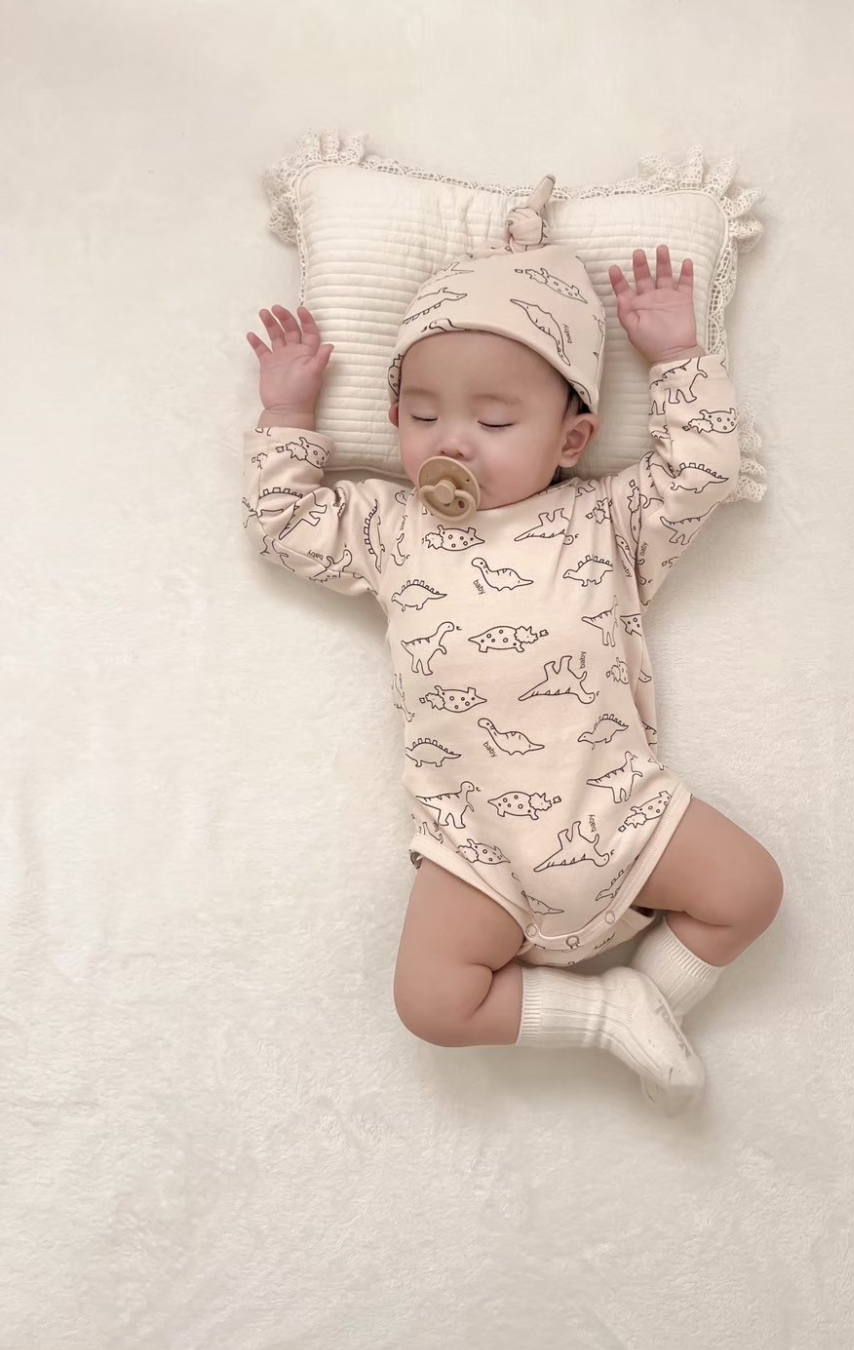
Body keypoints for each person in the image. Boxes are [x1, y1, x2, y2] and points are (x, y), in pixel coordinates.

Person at [243, 178, 782, 1111]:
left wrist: (677, 356)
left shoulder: (607, 521)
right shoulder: (392, 527)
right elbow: (285, 524)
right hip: (475, 850)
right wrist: (288, 417)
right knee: (430, 1003)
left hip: (619, 814)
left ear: (572, 441)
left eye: (494, 422)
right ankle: (601, 1016)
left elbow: (701, 471)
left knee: (751, 889)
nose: (452, 443)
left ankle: (651, 999)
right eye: (421, 416)